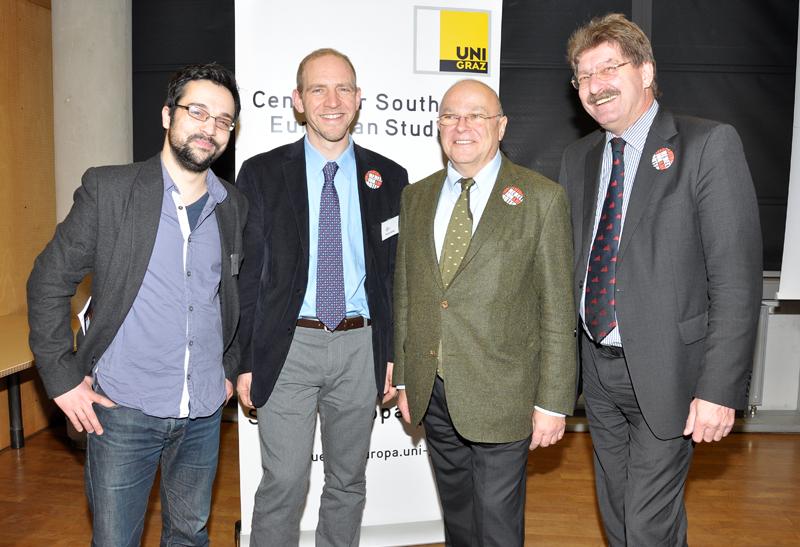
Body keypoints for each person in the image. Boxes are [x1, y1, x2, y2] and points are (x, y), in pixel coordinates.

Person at [559, 13, 763, 546]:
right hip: (598, 375)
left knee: (648, 522)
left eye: (609, 67)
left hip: (671, 373)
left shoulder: (707, 145)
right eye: (584, 76)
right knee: (620, 514)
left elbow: (737, 280)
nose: (596, 84)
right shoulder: (578, 158)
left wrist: (719, 389)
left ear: (646, 71)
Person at [27, 63, 247, 546]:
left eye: (224, 120)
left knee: (189, 535)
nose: (210, 128)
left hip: (204, 411)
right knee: (115, 540)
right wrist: (61, 378)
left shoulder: (233, 204)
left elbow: (230, 296)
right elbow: (47, 281)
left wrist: (228, 366)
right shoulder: (111, 190)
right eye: (198, 111)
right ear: (168, 115)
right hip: (124, 410)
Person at [235, 48, 408, 547]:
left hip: (361, 346)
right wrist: (244, 359)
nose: (332, 101)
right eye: (318, 89)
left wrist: (393, 354)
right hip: (287, 348)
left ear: (358, 99)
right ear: (297, 101)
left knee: (348, 483)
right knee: (284, 482)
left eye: (343, 89)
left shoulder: (390, 177)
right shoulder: (262, 173)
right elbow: (247, 276)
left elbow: (398, 277)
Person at [392, 79, 577, 547]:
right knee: (457, 518)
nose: (462, 126)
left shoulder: (542, 199)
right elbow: (407, 294)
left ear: (501, 126)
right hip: (432, 390)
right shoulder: (417, 197)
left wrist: (554, 403)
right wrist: (403, 379)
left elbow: (557, 312)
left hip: (504, 395)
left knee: (497, 525)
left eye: (476, 115)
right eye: (450, 116)